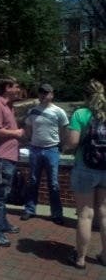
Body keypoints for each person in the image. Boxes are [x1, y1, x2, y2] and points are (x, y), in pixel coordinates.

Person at [65, 79, 106, 269]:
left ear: (85, 96)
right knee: (105, 214)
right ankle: (104, 256)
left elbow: (72, 142)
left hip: (85, 168)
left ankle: (80, 258)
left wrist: (65, 146)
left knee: (85, 215)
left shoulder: (81, 114)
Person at [20, 83, 69, 225]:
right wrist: (30, 140)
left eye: (47, 92)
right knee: (33, 181)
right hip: (35, 150)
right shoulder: (33, 111)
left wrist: (62, 144)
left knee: (53, 184)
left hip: (52, 150)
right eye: (41, 92)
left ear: (52, 94)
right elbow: (27, 128)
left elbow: (64, 129)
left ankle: (56, 213)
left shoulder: (59, 111)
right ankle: (30, 210)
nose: (43, 95)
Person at [0, 77, 25, 247]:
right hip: (2, 159)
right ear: (7, 88)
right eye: (16, 86)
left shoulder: (9, 106)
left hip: (9, 157)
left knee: (4, 195)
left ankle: (2, 223)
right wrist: (16, 133)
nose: (18, 89)